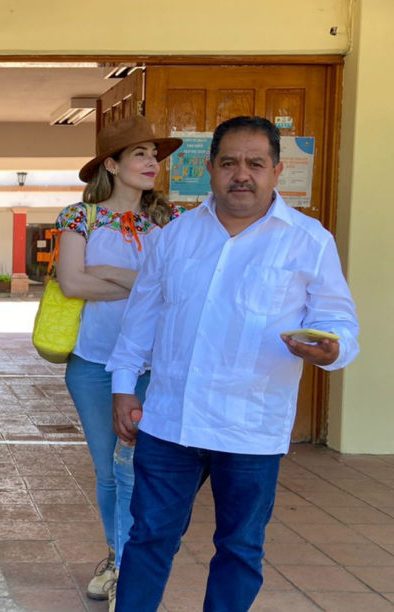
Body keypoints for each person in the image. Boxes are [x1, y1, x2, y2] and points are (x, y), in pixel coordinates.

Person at [107, 116, 359, 611]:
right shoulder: (175, 236)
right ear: (210, 168)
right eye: (229, 163)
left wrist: (332, 350)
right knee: (149, 537)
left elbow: (337, 319)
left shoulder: (308, 240)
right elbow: (141, 319)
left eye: (255, 163)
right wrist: (122, 387)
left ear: (277, 170)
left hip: (250, 426)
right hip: (171, 421)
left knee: (240, 548)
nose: (241, 174)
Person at [54, 116, 183, 607]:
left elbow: (175, 288)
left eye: (154, 154)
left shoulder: (171, 221)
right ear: (111, 164)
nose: (152, 162)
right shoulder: (79, 217)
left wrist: (109, 272)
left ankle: (129, 567)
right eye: (140, 154)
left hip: (155, 365)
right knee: (108, 469)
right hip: (93, 364)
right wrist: (144, 283)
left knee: (135, 466)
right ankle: (115, 556)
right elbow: (72, 283)